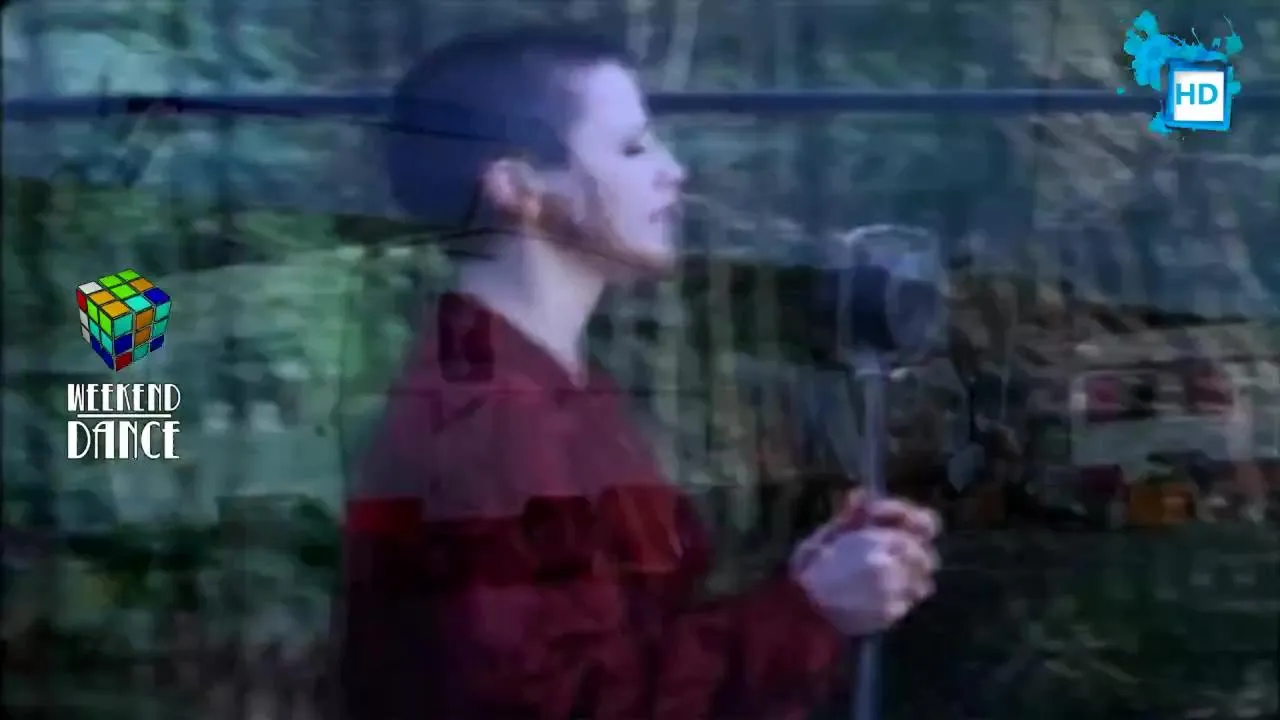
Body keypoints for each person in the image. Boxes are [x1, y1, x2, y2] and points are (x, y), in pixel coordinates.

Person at [336, 26, 942, 720]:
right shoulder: (488, 416)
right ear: (518, 186)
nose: (673, 171)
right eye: (632, 147)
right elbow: (552, 706)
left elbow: (619, 648)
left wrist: (813, 586)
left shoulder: (547, 386)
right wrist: (805, 612)